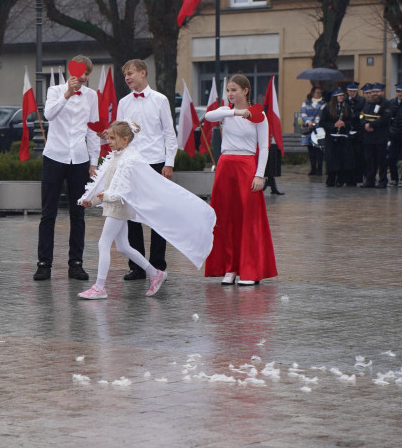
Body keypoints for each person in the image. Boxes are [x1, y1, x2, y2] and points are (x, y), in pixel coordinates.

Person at [76, 121, 216, 299]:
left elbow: (122, 189)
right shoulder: (117, 156)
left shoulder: (129, 160)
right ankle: (155, 273)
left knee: (103, 243)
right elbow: (107, 184)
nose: (109, 142)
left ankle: (100, 287)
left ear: (125, 139)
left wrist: (103, 197)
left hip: (118, 207)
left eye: (112, 138)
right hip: (114, 205)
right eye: (109, 138)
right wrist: (93, 200)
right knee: (123, 246)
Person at [202, 74, 277, 286]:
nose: (230, 94)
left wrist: (260, 175)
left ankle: (250, 270)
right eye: (227, 90)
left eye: (234, 90)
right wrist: (235, 112)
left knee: (249, 220)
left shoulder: (259, 114)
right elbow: (208, 117)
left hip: (246, 167)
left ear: (245, 91)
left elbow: (264, 147)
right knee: (225, 219)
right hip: (225, 166)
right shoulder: (226, 112)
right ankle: (230, 268)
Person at [34, 55, 101, 282]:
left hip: (79, 160)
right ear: (70, 73)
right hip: (54, 156)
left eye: (86, 76)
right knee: (48, 213)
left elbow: (92, 129)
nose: (82, 79)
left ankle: (76, 263)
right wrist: (67, 94)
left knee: (78, 214)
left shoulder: (91, 96)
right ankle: (44, 264)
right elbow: (49, 114)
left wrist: (94, 161)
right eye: (79, 75)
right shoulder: (55, 90)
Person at [113, 59, 177, 282]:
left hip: (156, 162)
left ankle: (158, 265)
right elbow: (120, 135)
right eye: (125, 75)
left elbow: (169, 132)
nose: (127, 78)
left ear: (143, 72)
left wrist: (169, 163)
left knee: (158, 216)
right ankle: (138, 266)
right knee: (132, 216)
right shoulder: (123, 102)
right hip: (132, 164)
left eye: (130, 73)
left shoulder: (160, 100)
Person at [319, 89, 357, 187]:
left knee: (343, 158)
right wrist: (333, 125)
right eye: (338, 96)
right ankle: (331, 178)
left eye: (342, 95)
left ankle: (341, 178)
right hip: (332, 137)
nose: (341, 97)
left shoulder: (346, 107)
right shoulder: (327, 108)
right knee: (332, 159)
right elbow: (322, 122)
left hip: (343, 137)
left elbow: (351, 121)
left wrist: (344, 123)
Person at [359, 83, 390, 188]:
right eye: (373, 92)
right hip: (368, 136)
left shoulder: (386, 104)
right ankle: (370, 180)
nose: (375, 94)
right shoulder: (368, 103)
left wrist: (372, 124)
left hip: (380, 136)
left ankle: (382, 181)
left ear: (382, 92)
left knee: (381, 160)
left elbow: (385, 119)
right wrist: (365, 124)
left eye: (377, 92)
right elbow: (362, 115)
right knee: (369, 159)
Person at [299, 87, 323, 175]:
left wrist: (313, 123)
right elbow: (303, 113)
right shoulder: (306, 103)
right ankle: (313, 168)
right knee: (311, 150)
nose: (319, 94)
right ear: (312, 93)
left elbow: (321, 115)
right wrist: (308, 122)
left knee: (319, 150)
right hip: (308, 129)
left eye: (320, 93)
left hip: (318, 130)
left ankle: (319, 168)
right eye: (317, 92)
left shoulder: (323, 104)